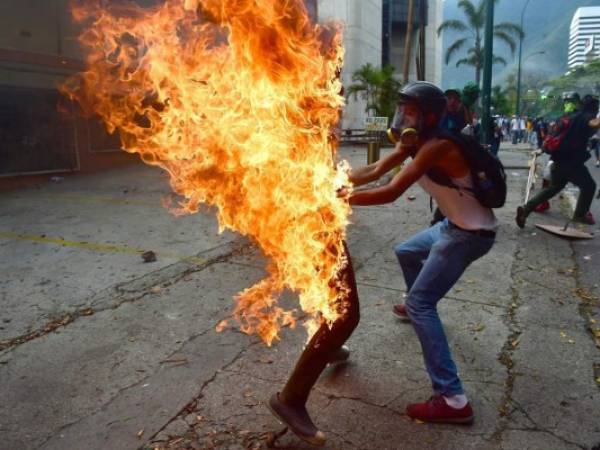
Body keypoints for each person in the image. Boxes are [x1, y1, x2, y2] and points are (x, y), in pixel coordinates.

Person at [345, 81, 497, 424]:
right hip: (452, 226)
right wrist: (333, 182)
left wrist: (338, 200)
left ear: (429, 116)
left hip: (471, 234)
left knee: (419, 304)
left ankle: (453, 399)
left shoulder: (438, 146)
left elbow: (391, 192)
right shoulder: (417, 143)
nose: (402, 117)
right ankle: (422, 306)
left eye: (410, 111)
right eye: (402, 110)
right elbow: (373, 171)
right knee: (406, 251)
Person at [267, 244, 359, 446]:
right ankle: (289, 400)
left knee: (338, 307)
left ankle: (329, 349)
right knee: (344, 316)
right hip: (314, 227)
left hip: (322, 225)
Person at [516, 93, 600, 227]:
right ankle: (579, 215)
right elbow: (594, 122)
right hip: (572, 164)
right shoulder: (585, 116)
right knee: (589, 186)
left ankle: (526, 209)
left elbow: (554, 135)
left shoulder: (569, 118)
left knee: (554, 188)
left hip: (558, 161)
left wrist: (541, 149)